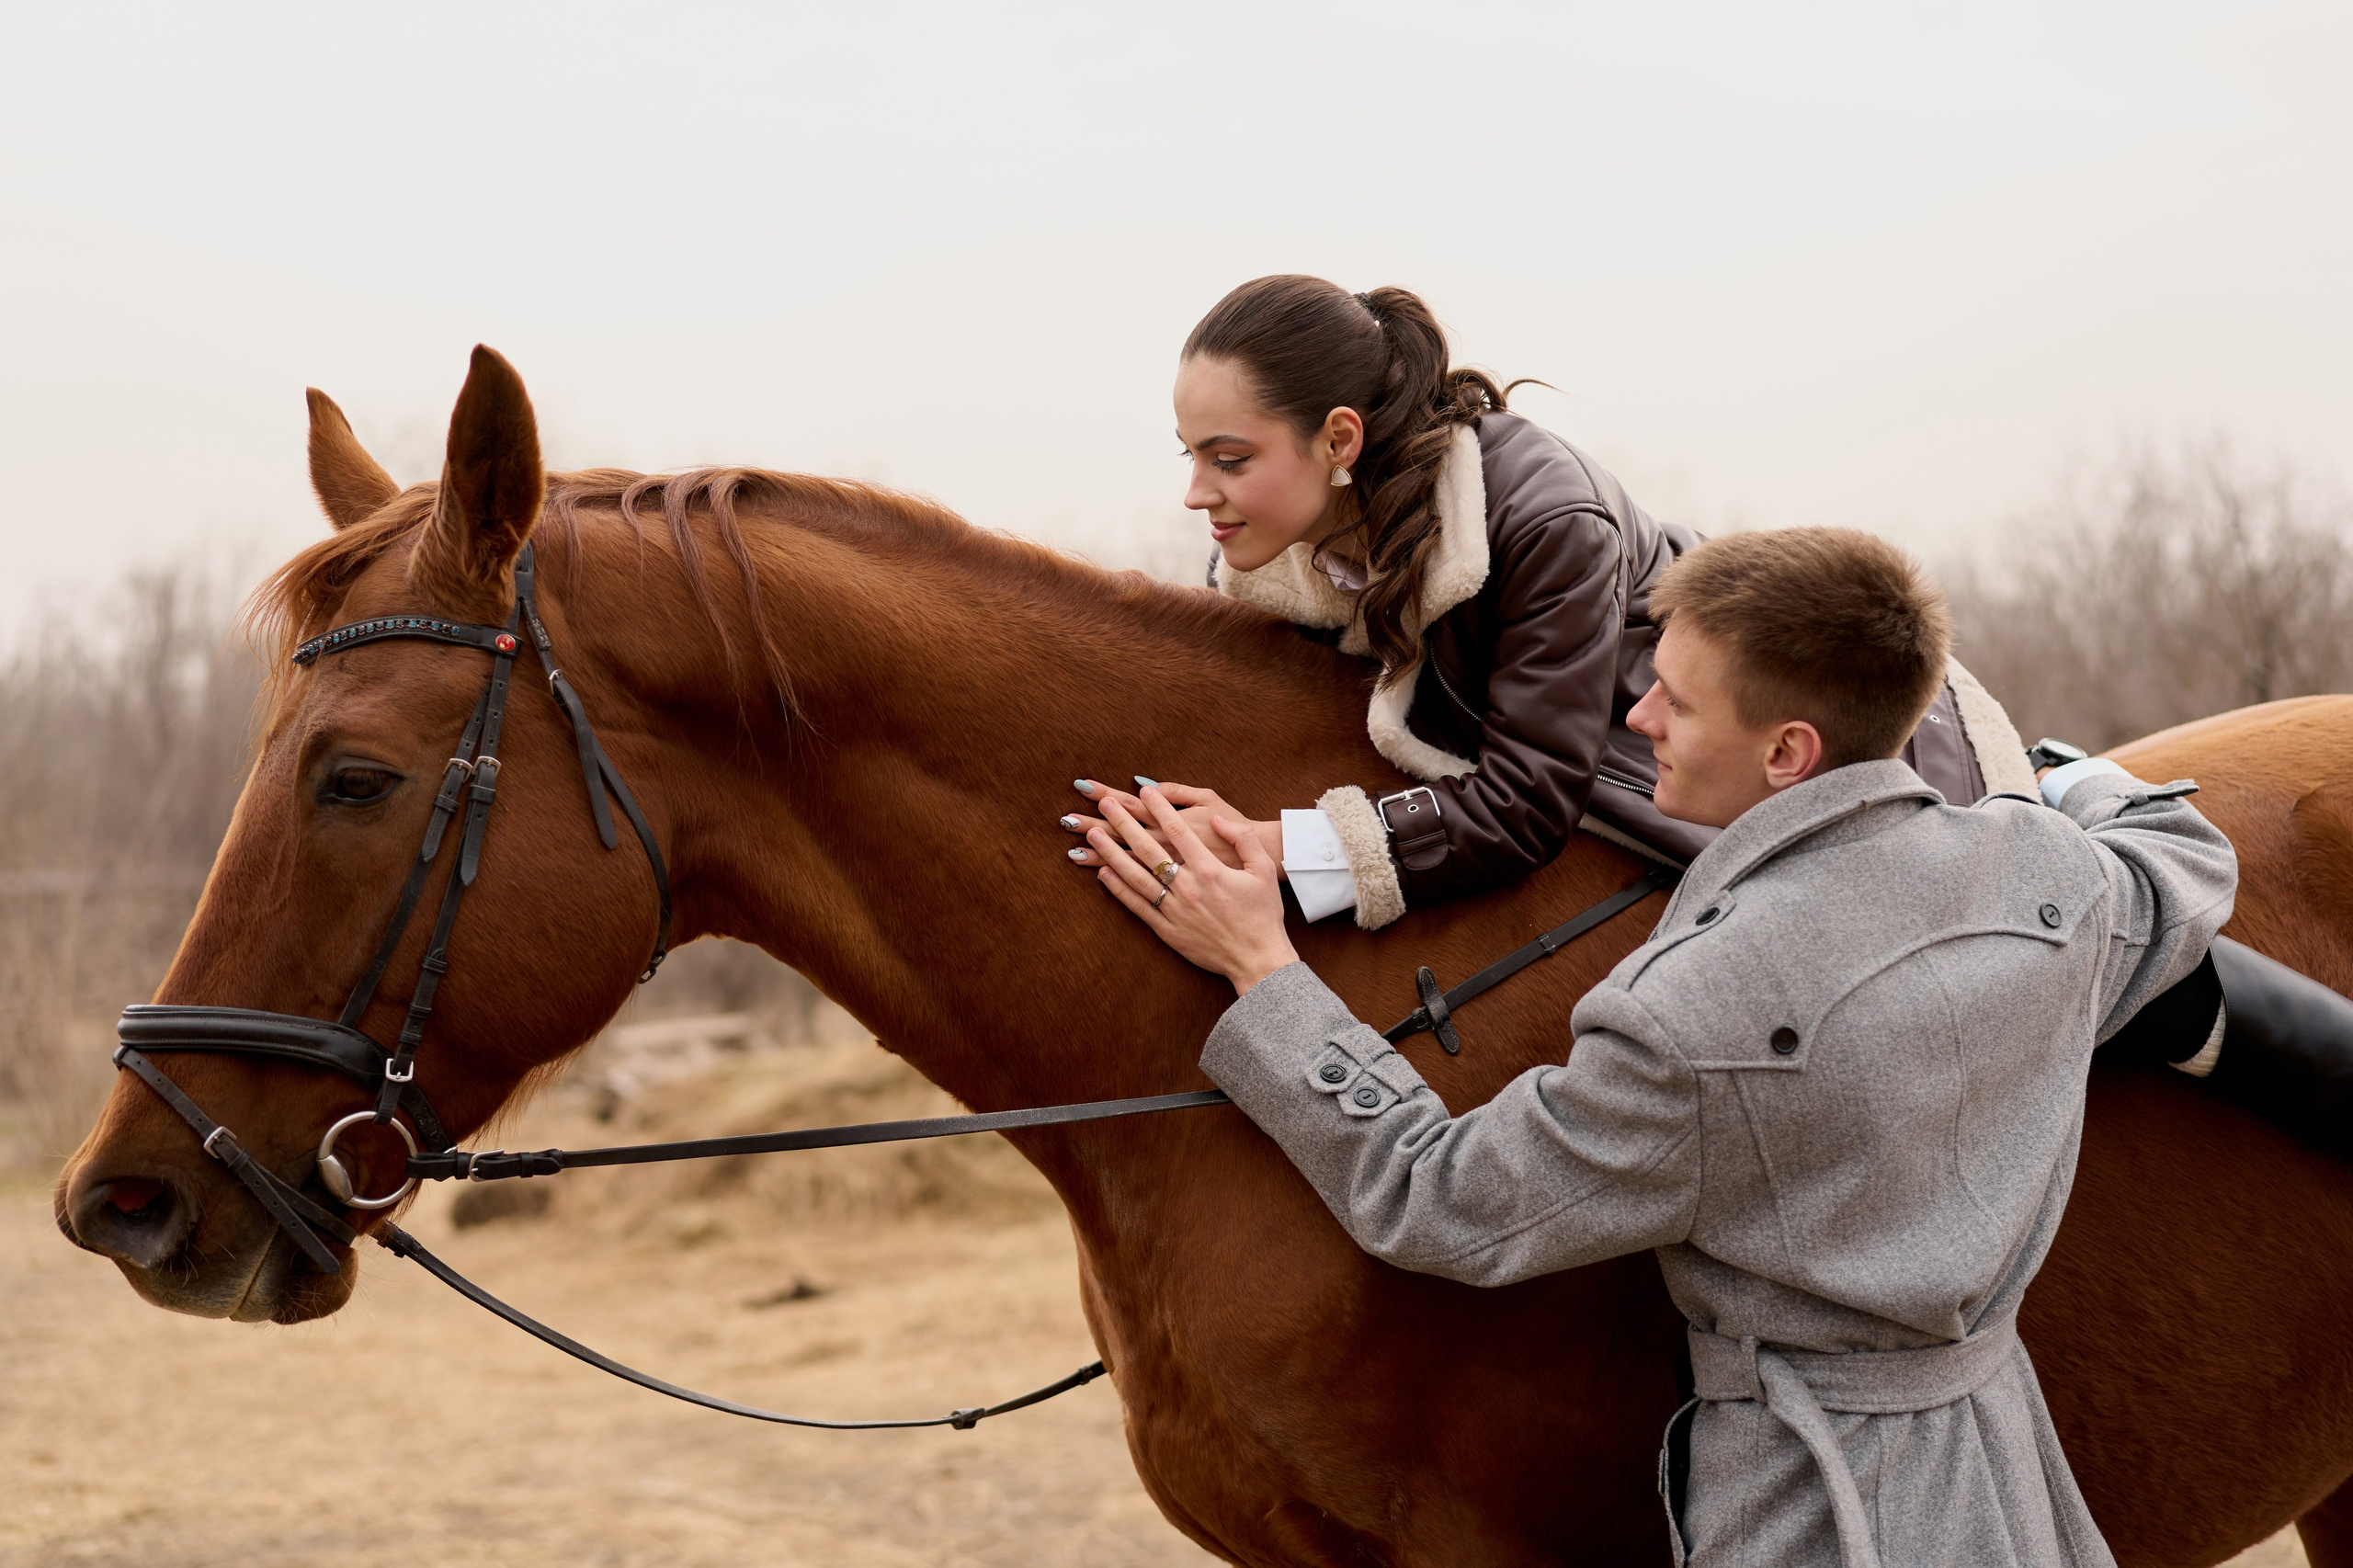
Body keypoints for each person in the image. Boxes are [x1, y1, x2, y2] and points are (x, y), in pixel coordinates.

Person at [1080, 527, 2237, 1566]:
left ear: (1787, 752)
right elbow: (2183, 850)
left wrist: (1264, 970)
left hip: (1806, 1515)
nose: (1631, 720)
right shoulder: (2053, 879)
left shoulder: (1694, 1015)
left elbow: (1443, 1200)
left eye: (1674, 702)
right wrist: (2072, 779)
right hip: (2001, 1479)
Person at [1057, 274, 2026, 928]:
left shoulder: (1542, 518)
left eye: (1229, 459)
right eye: (1188, 454)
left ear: (1339, 440)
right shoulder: (1294, 556)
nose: (1196, 492)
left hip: (1814, 745)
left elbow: (1526, 800)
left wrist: (1278, 847)